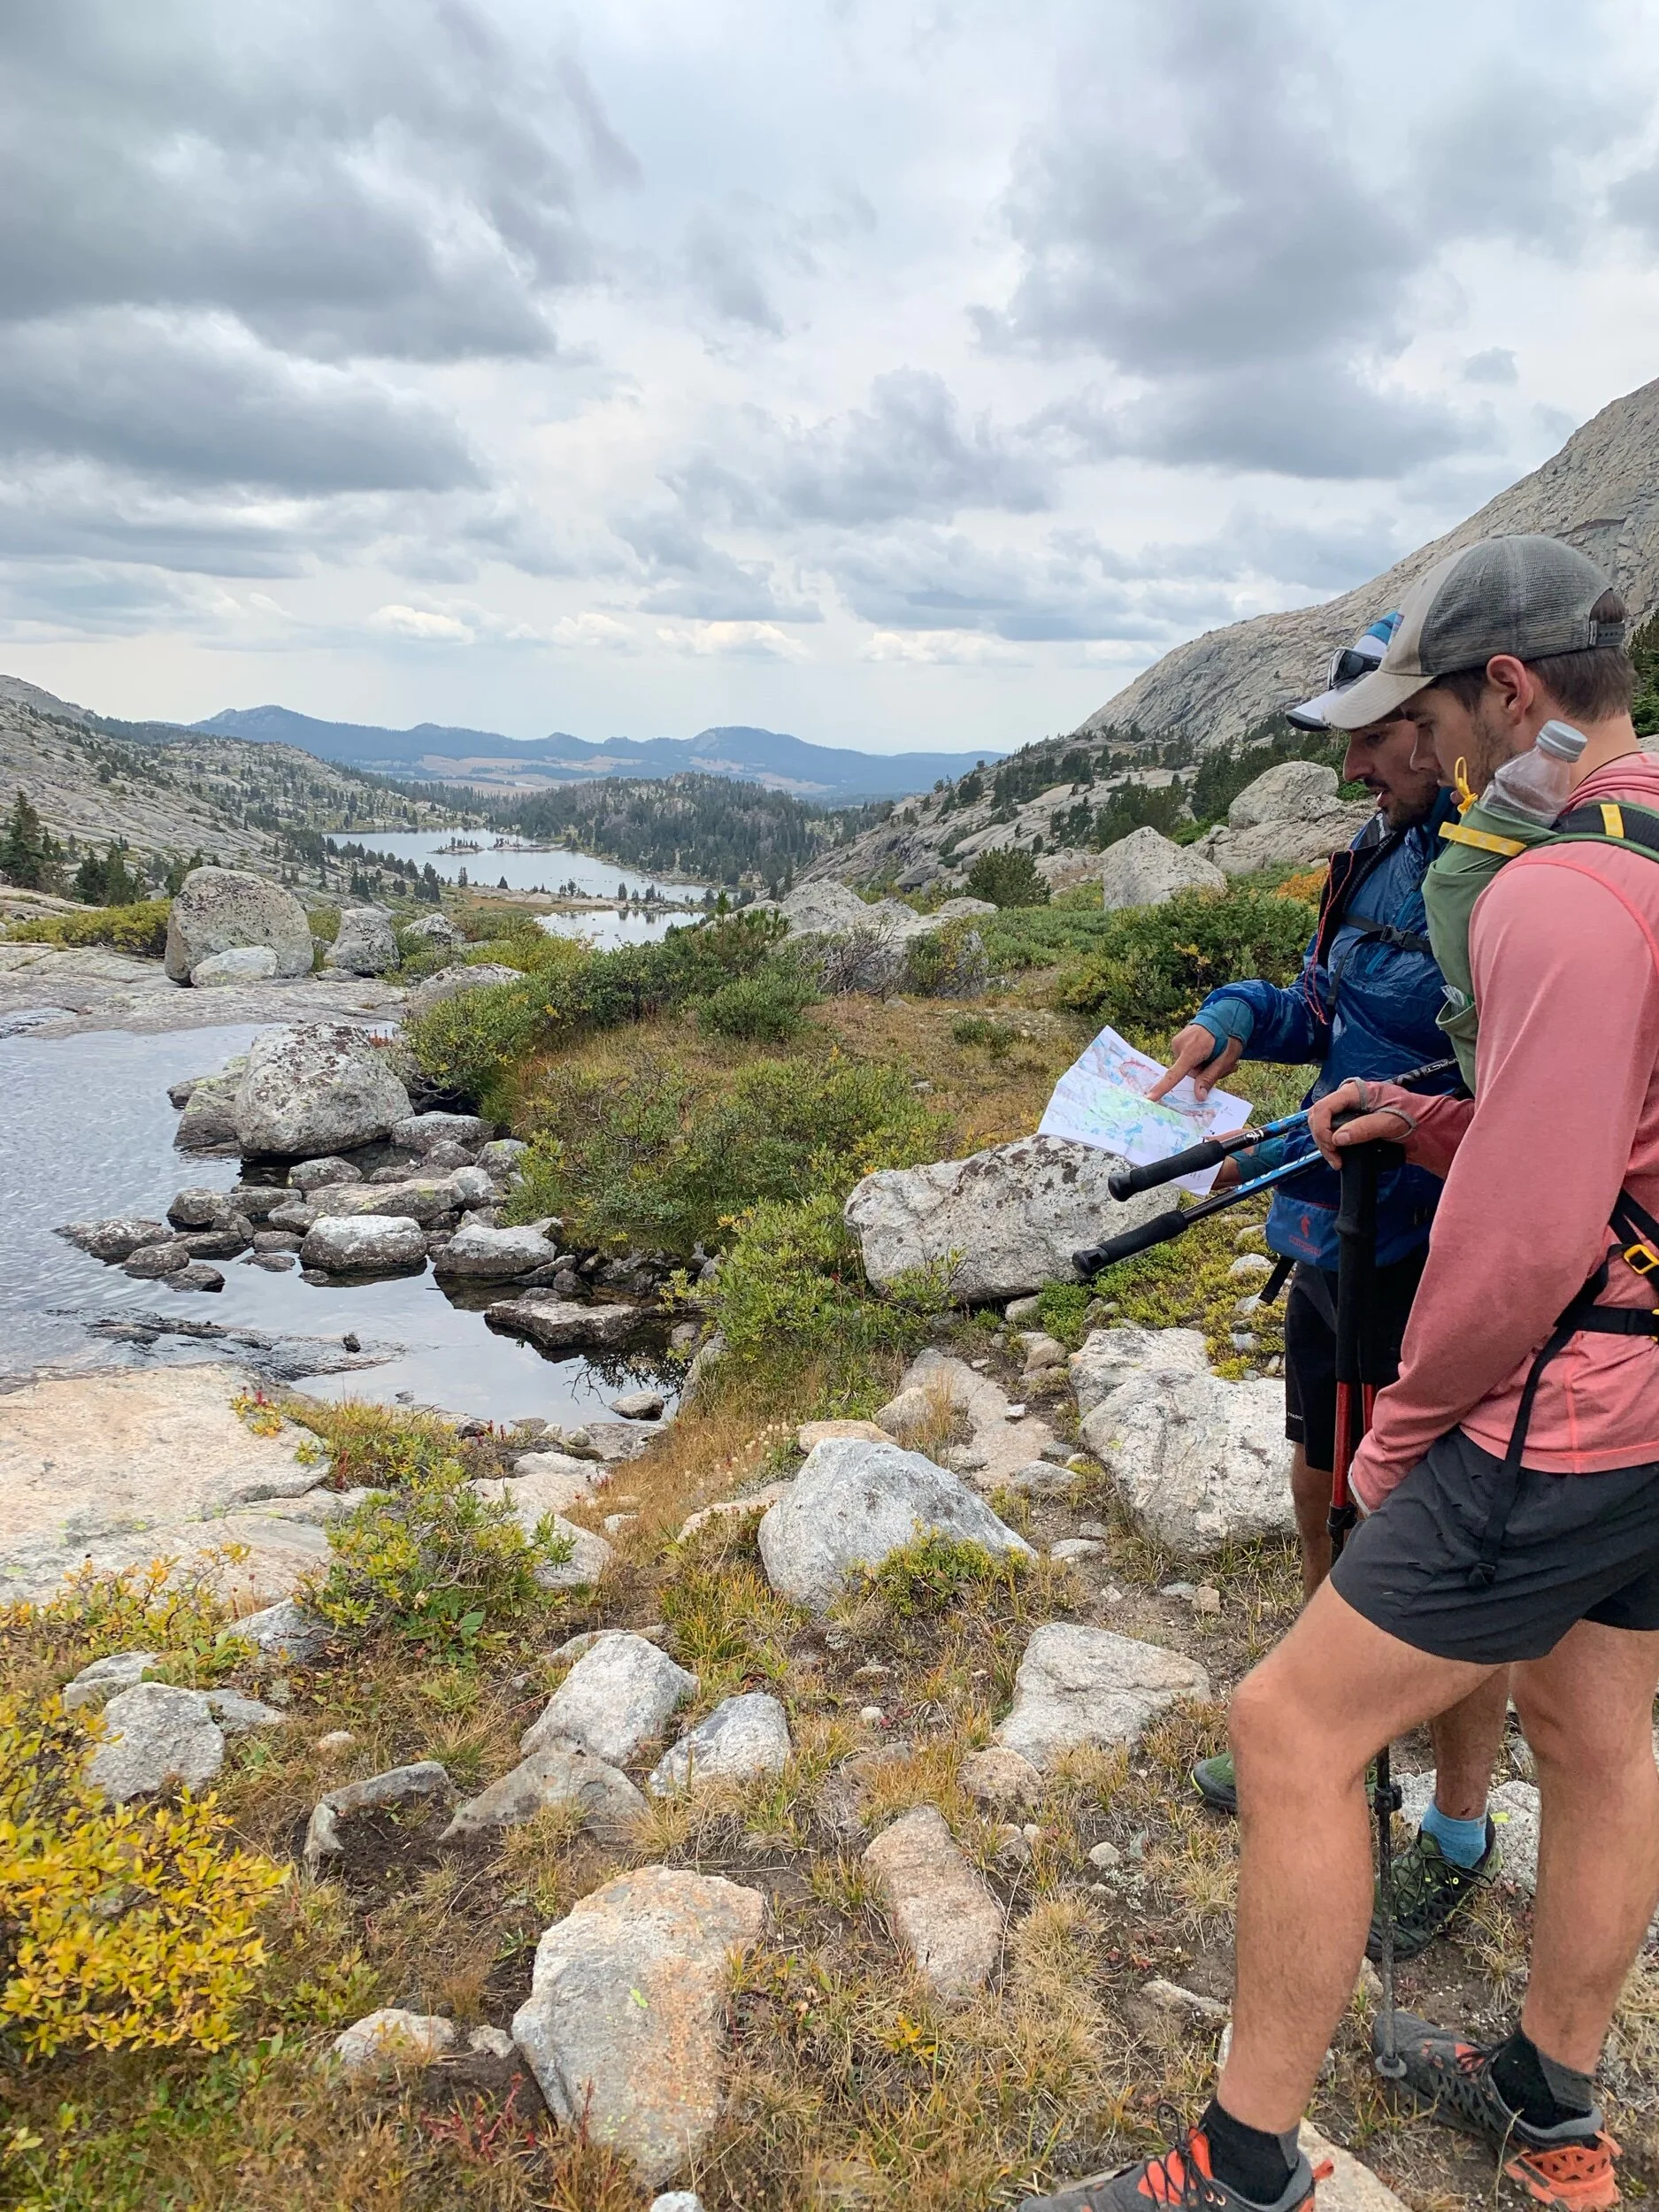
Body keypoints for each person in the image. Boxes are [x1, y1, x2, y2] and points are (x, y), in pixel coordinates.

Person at [1019, 534, 1659, 2212]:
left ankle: (1242, 2168)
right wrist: (1436, 1119)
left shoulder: (1555, 889)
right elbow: (1604, 1129)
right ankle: (1550, 2101)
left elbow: (1523, 1239)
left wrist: (1411, 1431)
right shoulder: (1649, 833)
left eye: (1422, 717)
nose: (1409, 751)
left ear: (1503, 689)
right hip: (1650, 1392)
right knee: (1598, 1733)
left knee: (1287, 1724)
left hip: (1569, 1399)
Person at [1148, 615, 1509, 1962]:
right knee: (1323, 1490)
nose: (1352, 765)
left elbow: (1498, 1081)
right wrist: (1240, 1016)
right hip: (1330, 1232)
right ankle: (1325, 1729)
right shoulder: (1374, 852)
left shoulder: (1505, 874)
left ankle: (1459, 1828)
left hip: (1438, 1251)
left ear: (1439, 720)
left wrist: (1370, 1121)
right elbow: (1327, 1007)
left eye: (1370, 737)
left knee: (1440, 1543)